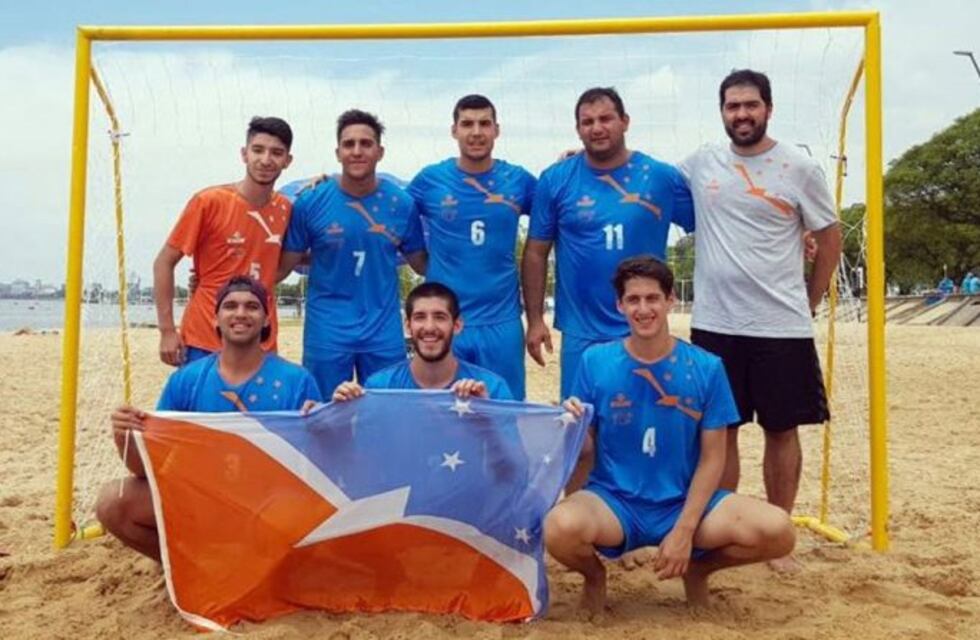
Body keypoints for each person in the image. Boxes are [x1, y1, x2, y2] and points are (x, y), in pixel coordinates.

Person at [544, 256, 795, 613]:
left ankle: (699, 570)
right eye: (633, 300)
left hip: (683, 501)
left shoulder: (707, 367)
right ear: (620, 305)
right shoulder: (595, 361)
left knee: (779, 531)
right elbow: (586, 449)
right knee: (558, 527)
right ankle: (595, 578)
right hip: (616, 501)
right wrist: (570, 426)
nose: (643, 309)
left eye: (652, 298)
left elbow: (713, 458)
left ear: (670, 300)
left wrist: (685, 531)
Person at [679, 69, 842, 571]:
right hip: (715, 323)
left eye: (750, 105)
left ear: (768, 108)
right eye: (732, 106)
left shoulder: (799, 167)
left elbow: (830, 237)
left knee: (780, 429)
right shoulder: (701, 162)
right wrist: (582, 160)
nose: (741, 114)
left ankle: (778, 531)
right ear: (722, 111)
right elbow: (640, 174)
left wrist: (809, 300)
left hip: (780, 326)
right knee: (720, 432)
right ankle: (723, 526)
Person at [96, 276, 323, 561]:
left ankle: (258, 565)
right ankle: (190, 565)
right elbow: (149, 471)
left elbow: (319, 470)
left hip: (267, 503)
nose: (240, 313)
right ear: (215, 320)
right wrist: (124, 438)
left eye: (252, 307)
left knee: (305, 514)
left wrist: (320, 427)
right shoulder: (186, 380)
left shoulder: (297, 380)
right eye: (230, 306)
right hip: (202, 498)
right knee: (112, 502)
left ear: (267, 320)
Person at [522, 87, 694, 400]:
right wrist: (535, 320)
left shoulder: (659, 177)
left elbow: (713, 220)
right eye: (587, 122)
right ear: (578, 129)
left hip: (643, 324)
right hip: (581, 332)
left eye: (606, 118)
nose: (597, 128)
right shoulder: (556, 179)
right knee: (580, 428)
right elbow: (535, 252)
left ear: (625, 121)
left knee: (639, 421)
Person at [278, 110, 427, 397]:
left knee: (389, 414)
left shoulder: (401, 203)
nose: (357, 151)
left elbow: (423, 265)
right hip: (327, 331)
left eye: (365, 143)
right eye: (349, 144)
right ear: (337, 152)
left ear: (380, 151)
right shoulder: (309, 201)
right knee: (322, 416)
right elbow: (281, 267)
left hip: (383, 330)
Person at [406, 95, 536, 399]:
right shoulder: (430, 180)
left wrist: (572, 163)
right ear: (454, 130)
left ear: (496, 130)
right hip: (444, 323)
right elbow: (384, 207)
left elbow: (557, 202)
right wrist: (332, 182)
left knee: (505, 415)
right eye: (467, 124)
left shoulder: (518, 180)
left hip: (501, 323)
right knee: (441, 418)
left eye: (484, 124)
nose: (476, 132)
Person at [154, 117, 294, 366]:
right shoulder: (209, 201)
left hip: (260, 340)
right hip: (204, 337)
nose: (265, 160)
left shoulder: (286, 209)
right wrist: (166, 330)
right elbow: (164, 262)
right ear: (244, 154)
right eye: (258, 150)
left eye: (276, 152)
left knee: (255, 406)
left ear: (287, 160)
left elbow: (280, 265)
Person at [332, 282, 512, 401]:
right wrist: (338, 413)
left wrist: (488, 414)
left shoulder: (493, 389)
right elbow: (363, 453)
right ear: (408, 326)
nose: (429, 327)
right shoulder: (380, 388)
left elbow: (514, 457)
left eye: (440, 317)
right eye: (420, 317)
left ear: (457, 325)